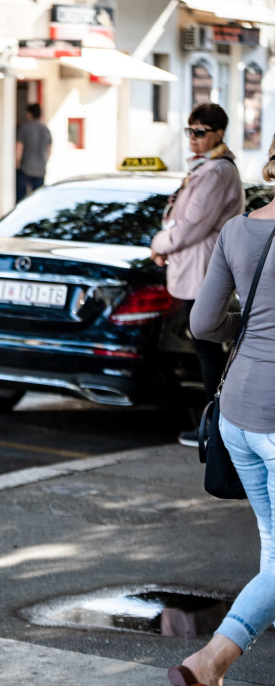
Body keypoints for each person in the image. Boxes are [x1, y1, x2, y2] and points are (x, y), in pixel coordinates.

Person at [169, 134, 275, 686]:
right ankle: (208, 662)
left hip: (237, 415)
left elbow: (204, 323)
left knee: (274, 544)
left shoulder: (237, 230)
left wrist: (251, 332)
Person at [150, 103, 244, 447]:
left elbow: (192, 225)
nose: (194, 139)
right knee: (205, 348)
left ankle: (217, 427)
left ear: (218, 133)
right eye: (190, 131)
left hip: (203, 270)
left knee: (207, 349)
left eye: (201, 132)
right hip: (193, 268)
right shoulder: (207, 168)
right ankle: (217, 424)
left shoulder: (218, 172)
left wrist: (161, 243)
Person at [16, 103, 51, 203]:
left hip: (25, 167)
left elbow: (19, 147)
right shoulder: (45, 129)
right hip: (40, 169)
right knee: (38, 198)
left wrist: (17, 162)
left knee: (21, 198)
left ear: (29, 114)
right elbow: (49, 149)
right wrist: (45, 162)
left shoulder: (24, 128)